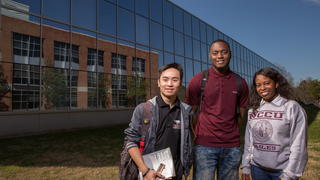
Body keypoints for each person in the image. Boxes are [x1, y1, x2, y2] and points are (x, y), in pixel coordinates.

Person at [186, 39, 249, 180]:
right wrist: (199, 134)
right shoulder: (198, 80)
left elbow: (241, 116)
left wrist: (229, 132)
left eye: (224, 52)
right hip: (204, 146)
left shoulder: (240, 83)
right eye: (215, 53)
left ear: (230, 55)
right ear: (210, 55)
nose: (220, 56)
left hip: (231, 147)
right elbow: (192, 113)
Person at [124, 63, 193, 180]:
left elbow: (188, 143)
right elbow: (130, 142)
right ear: (158, 82)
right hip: (149, 174)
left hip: (176, 175)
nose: (170, 84)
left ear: (180, 83)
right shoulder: (144, 109)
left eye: (175, 80)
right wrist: (145, 171)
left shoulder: (186, 111)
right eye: (165, 79)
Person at [241, 67, 308, 180]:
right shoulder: (253, 110)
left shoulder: (291, 107)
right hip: (257, 169)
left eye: (267, 83)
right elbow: (249, 141)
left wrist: (290, 174)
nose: (262, 88)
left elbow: (299, 144)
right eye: (258, 85)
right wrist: (246, 165)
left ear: (276, 84)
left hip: (282, 171)